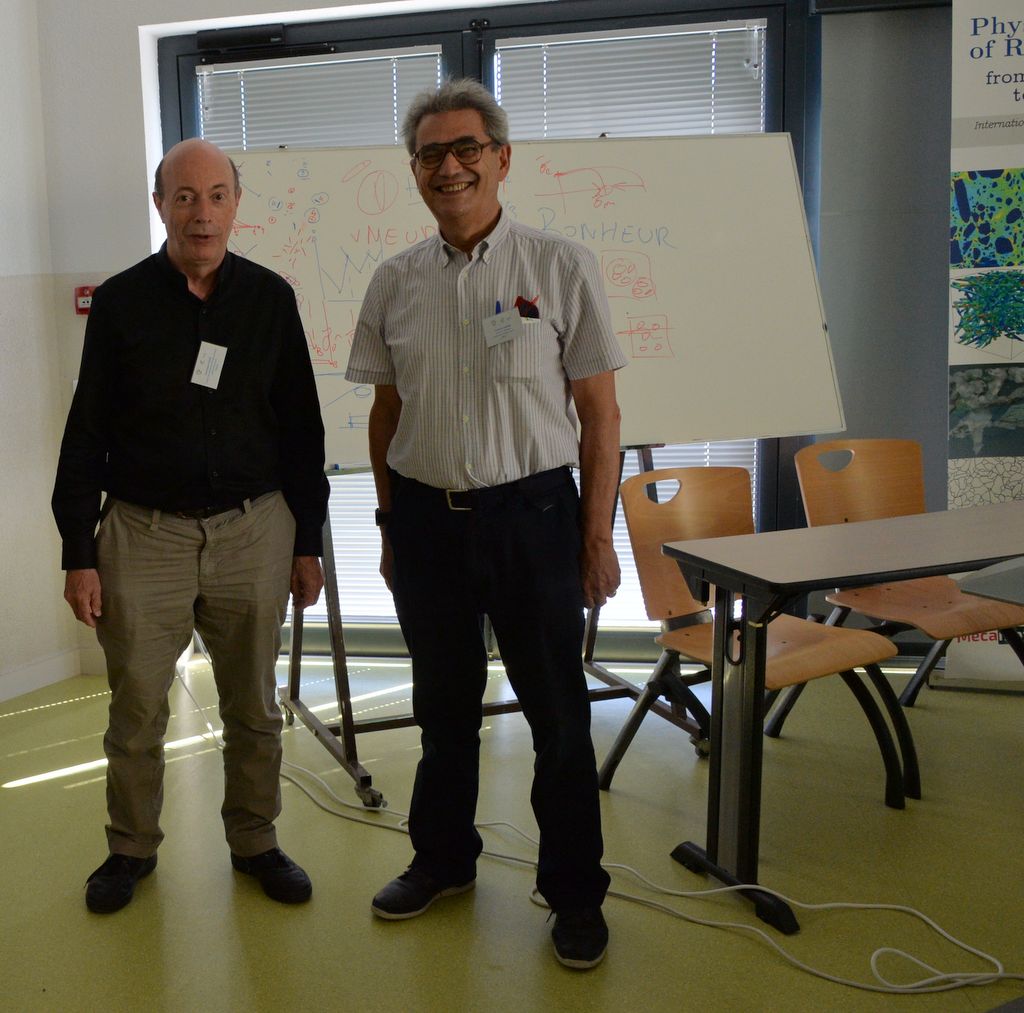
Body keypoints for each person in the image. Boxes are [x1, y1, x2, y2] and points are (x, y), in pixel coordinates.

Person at [346, 79, 627, 970]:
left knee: (559, 719)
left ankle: (574, 892)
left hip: (534, 519)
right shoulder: (394, 281)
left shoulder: (560, 265)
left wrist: (595, 537)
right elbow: (385, 416)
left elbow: (601, 415)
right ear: (415, 171)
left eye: (467, 148)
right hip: (427, 523)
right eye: (431, 154)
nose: (450, 167)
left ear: (501, 159)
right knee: (442, 710)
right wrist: (390, 526)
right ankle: (442, 860)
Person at [52, 138, 330, 914]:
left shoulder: (270, 299)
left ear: (236, 205)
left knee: (254, 706)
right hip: (143, 536)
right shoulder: (121, 303)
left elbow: (301, 428)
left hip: (254, 529)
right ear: (160, 205)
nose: (200, 213)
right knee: (136, 709)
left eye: (215, 196)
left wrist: (307, 541)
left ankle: (256, 839)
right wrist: (79, 550)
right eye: (183, 197)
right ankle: (130, 847)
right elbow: (86, 431)